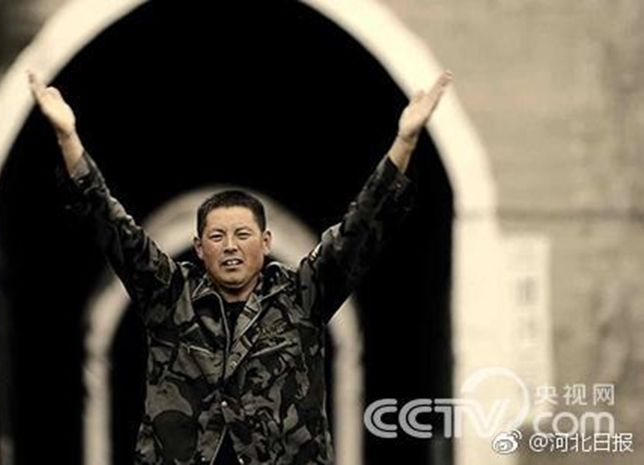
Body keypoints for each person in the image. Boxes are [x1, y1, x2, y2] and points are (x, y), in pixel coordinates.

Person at [29, 69, 452, 465]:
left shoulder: (302, 296)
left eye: (243, 234)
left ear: (266, 243)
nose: (230, 246)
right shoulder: (169, 295)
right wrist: (68, 138)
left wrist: (405, 142)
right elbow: (111, 225)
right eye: (217, 236)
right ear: (199, 248)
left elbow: (358, 230)